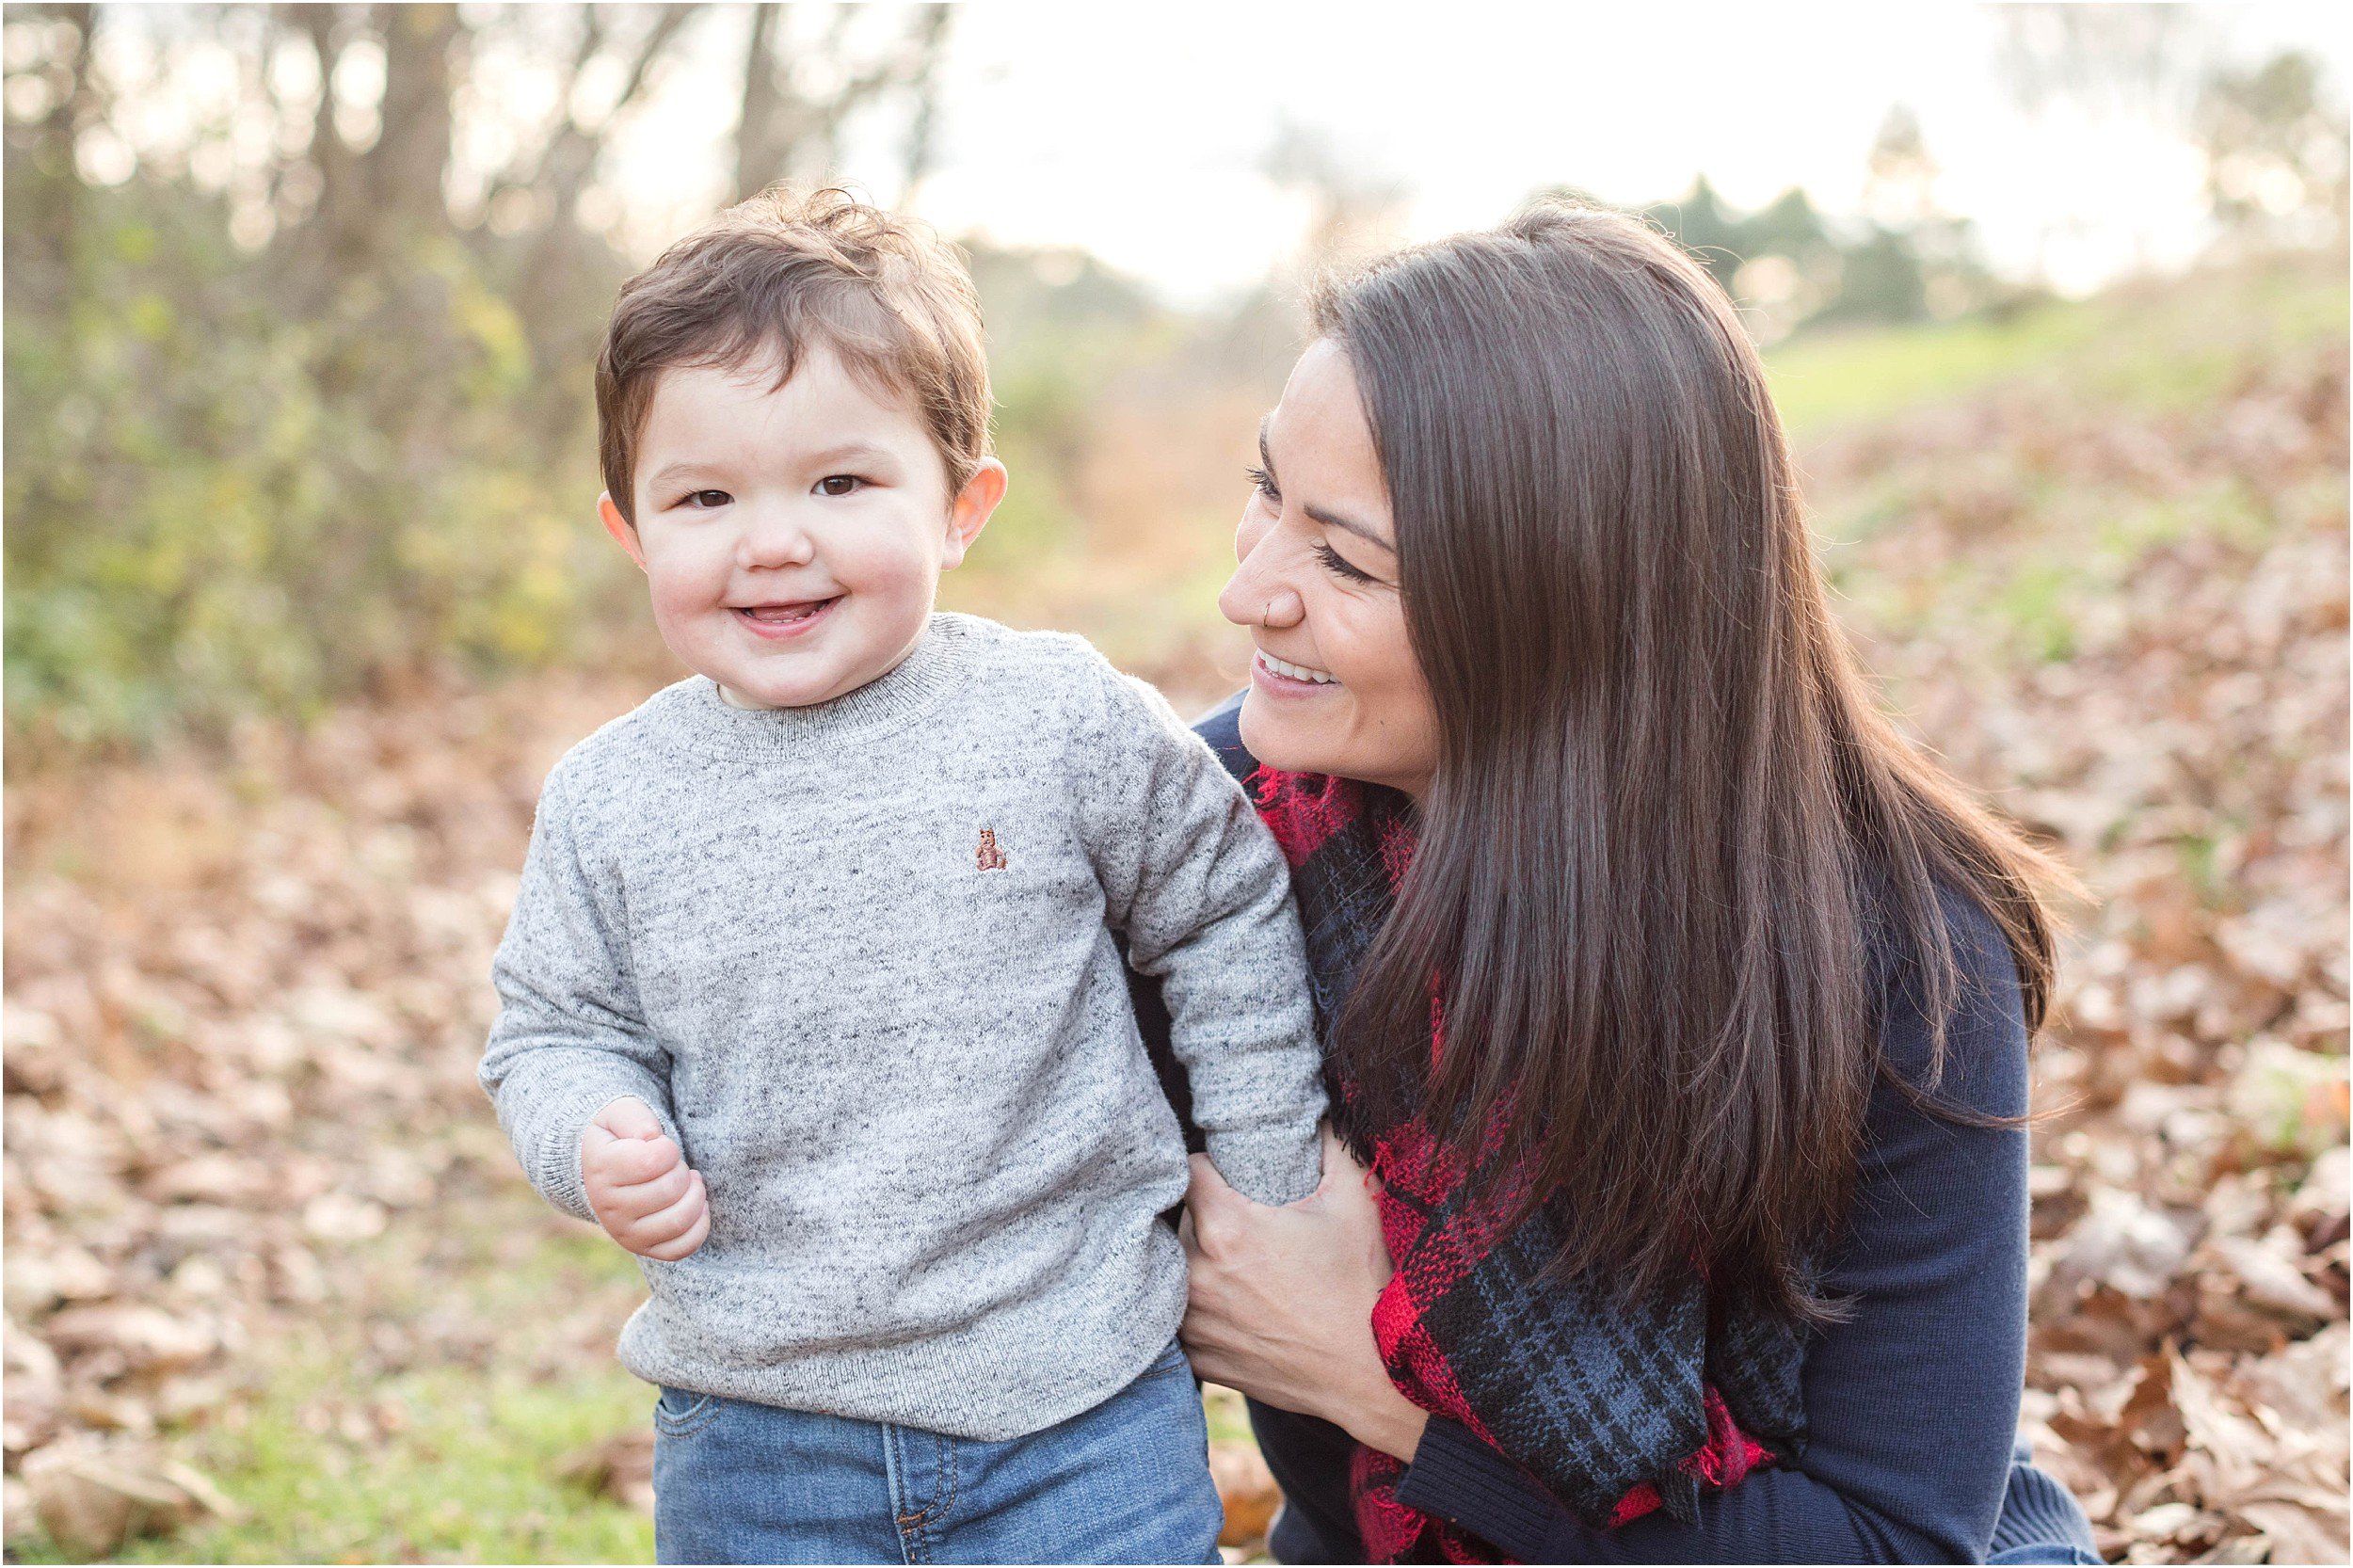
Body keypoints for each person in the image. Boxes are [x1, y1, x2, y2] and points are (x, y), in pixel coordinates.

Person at [1155, 204, 2103, 1563]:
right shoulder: (1209, 840)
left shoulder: (1890, 945)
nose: (1250, 592)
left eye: (1345, 558)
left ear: (1562, 610)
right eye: (1266, 493)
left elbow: (1893, 1541)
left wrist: (1377, 1380)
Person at [477, 187, 1327, 1565]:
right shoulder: (613, 799)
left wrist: (1267, 1164)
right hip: (759, 1431)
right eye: (705, 496)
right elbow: (554, 1033)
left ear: (961, 504)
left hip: (1078, 1409)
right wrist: (595, 1134)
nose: (771, 539)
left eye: (839, 482)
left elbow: (1222, 902)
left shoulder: (1055, 722)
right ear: (632, 529)